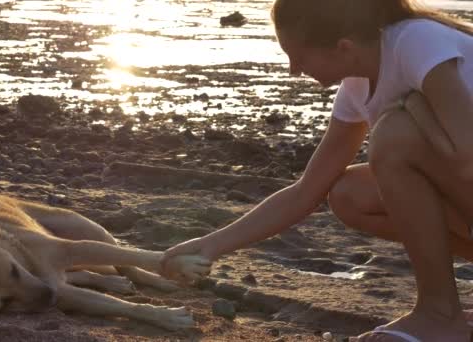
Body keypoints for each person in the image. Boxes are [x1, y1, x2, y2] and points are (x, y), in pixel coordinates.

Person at [160, 0, 473, 340]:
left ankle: (439, 313)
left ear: (343, 47)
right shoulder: (357, 86)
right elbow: (306, 191)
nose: (294, 69)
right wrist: (210, 245)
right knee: (348, 194)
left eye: (299, 56)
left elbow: (468, 158)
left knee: (393, 136)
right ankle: (443, 312)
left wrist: (412, 108)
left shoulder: (416, 40)